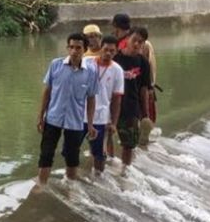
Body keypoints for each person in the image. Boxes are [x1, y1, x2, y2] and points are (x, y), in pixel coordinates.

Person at [37, 34, 98, 183]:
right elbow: (47, 91)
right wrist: (40, 116)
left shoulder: (91, 72)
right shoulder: (55, 65)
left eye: (78, 48)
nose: (74, 51)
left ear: (84, 50)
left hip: (75, 121)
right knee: (46, 153)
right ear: (67, 48)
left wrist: (90, 124)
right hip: (53, 117)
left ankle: (70, 187)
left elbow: (91, 99)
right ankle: (41, 185)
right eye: (71, 47)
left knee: (72, 156)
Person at [114, 31, 153, 170]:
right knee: (104, 140)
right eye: (134, 40)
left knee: (128, 144)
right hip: (110, 107)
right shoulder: (115, 58)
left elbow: (144, 89)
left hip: (131, 107)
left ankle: (125, 170)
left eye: (140, 42)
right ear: (127, 39)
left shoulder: (143, 63)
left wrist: (145, 114)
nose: (137, 44)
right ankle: (102, 172)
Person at [86, 39, 124, 175]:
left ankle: (99, 178)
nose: (108, 53)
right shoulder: (87, 62)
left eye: (112, 51)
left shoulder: (117, 70)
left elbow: (116, 99)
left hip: (101, 117)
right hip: (80, 115)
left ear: (116, 52)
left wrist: (114, 123)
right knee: (72, 149)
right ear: (100, 48)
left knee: (99, 154)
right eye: (106, 49)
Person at [134, 25, 158, 146]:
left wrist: (150, 87)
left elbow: (150, 67)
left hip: (145, 87)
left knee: (145, 117)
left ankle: (143, 142)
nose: (137, 43)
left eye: (140, 41)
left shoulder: (146, 46)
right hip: (136, 87)